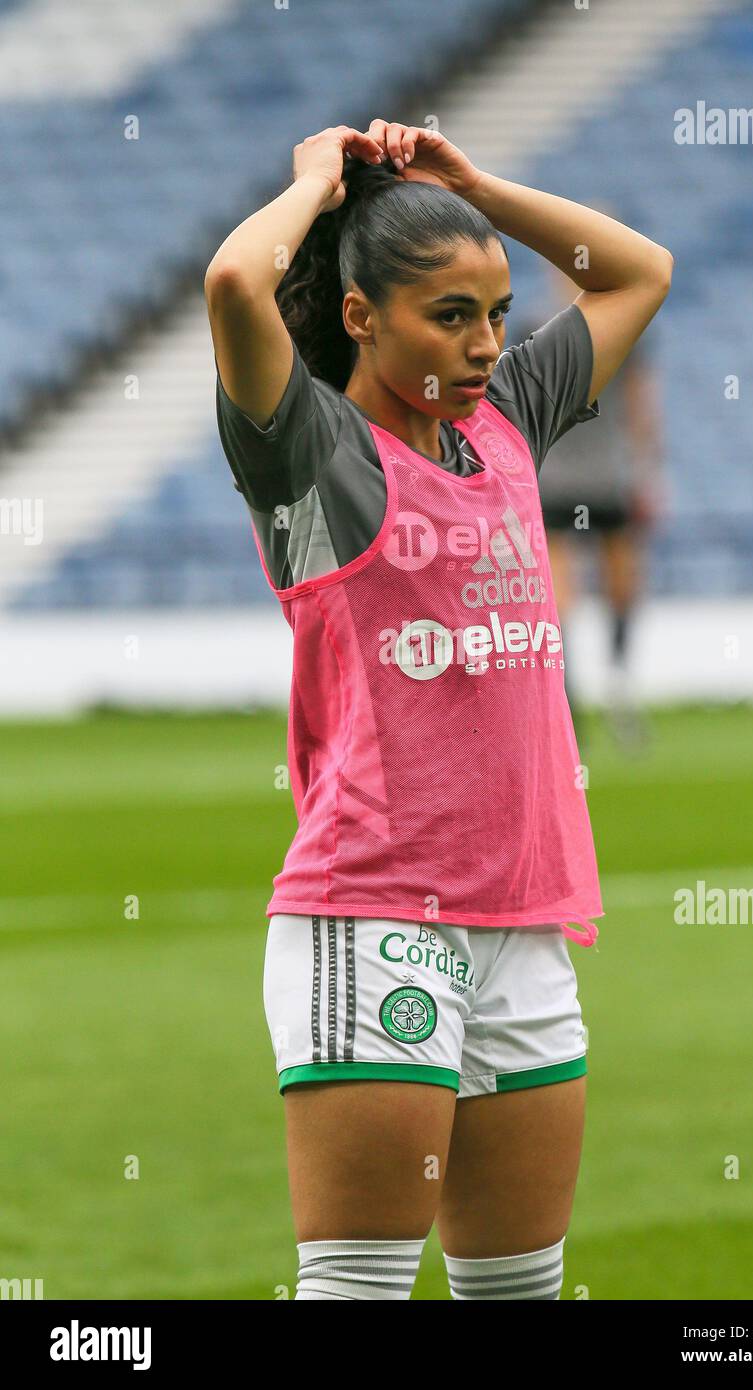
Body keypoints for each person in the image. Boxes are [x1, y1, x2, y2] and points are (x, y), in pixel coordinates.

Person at [205, 119, 673, 1300]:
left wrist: (472, 188)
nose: (483, 344)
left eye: (497, 312)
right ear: (362, 316)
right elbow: (231, 281)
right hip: (372, 917)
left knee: (517, 1293)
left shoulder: (506, 420)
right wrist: (314, 182)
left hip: (526, 918)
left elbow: (638, 271)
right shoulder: (314, 454)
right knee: (358, 1288)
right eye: (447, 316)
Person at [537, 257, 667, 748]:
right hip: (574, 474)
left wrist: (648, 469)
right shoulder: (619, 327)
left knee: (607, 586)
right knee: (574, 588)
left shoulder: (544, 328)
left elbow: (641, 407)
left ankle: (604, 686)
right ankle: (588, 689)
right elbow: (643, 408)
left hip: (593, 474)